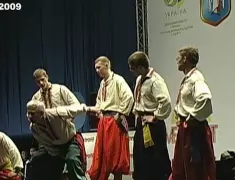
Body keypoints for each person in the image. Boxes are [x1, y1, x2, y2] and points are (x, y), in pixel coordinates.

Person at [169, 46, 216, 180]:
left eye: (179, 58)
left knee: (195, 168)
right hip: (187, 129)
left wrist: (191, 119)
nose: (177, 61)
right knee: (183, 167)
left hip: (194, 132)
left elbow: (205, 99)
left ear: (185, 59)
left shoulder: (196, 79)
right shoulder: (188, 79)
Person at [31, 68, 87, 178]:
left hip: (68, 139)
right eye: (38, 82)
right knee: (41, 165)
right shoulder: (36, 98)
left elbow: (76, 105)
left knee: (72, 162)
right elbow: (33, 117)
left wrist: (68, 115)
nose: (41, 83)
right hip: (50, 143)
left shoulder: (60, 90)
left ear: (47, 76)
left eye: (42, 79)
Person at [26, 100, 98, 180]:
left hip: (70, 141)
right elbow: (45, 143)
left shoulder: (55, 114)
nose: (29, 116)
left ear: (41, 113)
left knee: (72, 160)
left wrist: (89, 109)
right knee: (37, 161)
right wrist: (55, 154)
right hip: (54, 148)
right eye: (28, 113)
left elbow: (72, 110)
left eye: (32, 113)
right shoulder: (34, 128)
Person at [88, 56, 134, 180]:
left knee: (115, 155)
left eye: (99, 67)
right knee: (104, 155)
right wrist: (98, 112)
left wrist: (121, 113)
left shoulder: (118, 80)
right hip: (104, 121)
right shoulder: (102, 83)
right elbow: (99, 100)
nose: (97, 71)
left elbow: (129, 97)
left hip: (114, 121)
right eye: (95, 68)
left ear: (107, 65)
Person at [128, 51, 172, 180]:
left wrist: (155, 116)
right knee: (141, 158)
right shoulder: (139, 79)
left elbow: (165, 101)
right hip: (141, 123)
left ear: (141, 67)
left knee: (155, 158)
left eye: (133, 68)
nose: (131, 71)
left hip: (153, 125)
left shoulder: (155, 81)